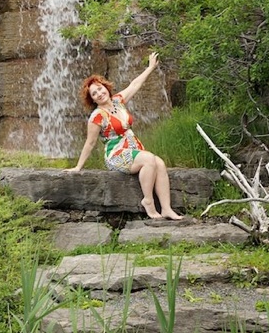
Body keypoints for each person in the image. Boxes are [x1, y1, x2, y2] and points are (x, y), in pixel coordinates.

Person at [66, 52, 183, 220]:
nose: (99, 93)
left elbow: (135, 84)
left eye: (100, 89)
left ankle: (166, 209)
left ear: (106, 87)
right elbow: (90, 143)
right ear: (92, 100)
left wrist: (150, 68)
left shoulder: (118, 101)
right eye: (94, 94)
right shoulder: (97, 116)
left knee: (160, 163)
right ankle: (148, 201)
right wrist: (78, 167)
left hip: (134, 149)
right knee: (150, 159)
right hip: (116, 154)